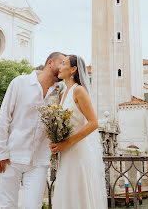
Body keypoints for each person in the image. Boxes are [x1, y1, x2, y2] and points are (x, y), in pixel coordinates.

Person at [0, 52, 66, 209]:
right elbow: (4, 117)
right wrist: (0, 152)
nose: (65, 66)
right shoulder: (20, 83)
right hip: (11, 157)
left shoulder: (60, 92)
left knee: (34, 206)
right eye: (62, 62)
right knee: (7, 205)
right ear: (50, 63)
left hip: (39, 160)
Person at [50, 55, 107, 209]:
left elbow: (93, 123)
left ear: (73, 69)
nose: (59, 67)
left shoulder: (79, 91)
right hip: (65, 154)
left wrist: (66, 143)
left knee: (78, 195)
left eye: (63, 64)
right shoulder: (64, 93)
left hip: (77, 152)